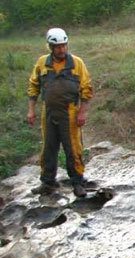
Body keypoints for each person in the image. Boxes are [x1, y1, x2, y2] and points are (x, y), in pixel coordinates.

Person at [27, 27, 93, 197]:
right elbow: (34, 86)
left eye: (64, 45)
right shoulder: (42, 63)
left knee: (73, 148)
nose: (62, 49)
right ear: (50, 47)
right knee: (48, 148)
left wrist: (82, 113)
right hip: (48, 112)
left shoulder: (77, 63)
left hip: (70, 112)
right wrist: (31, 110)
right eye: (58, 47)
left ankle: (78, 182)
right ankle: (48, 183)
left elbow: (86, 89)